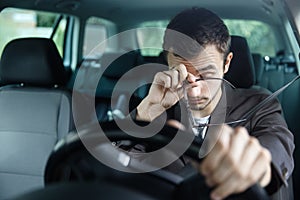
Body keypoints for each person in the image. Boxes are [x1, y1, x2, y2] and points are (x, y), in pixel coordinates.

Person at [133, 7, 294, 200]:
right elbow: (114, 167)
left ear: (227, 63)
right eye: (182, 75)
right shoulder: (154, 110)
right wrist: (144, 115)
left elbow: (277, 144)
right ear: (167, 64)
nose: (194, 90)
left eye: (206, 75)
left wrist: (259, 167)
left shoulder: (259, 104)